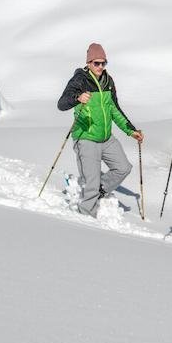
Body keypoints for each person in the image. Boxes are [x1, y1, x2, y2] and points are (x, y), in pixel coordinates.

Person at [58, 42, 143, 216]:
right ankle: (86, 218)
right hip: (86, 137)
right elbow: (62, 103)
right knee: (91, 184)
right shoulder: (80, 80)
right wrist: (77, 97)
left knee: (123, 167)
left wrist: (130, 130)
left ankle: (99, 190)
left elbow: (115, 109)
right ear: (89, 62)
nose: (100, 66)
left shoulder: (108, 81)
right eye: (97, 63)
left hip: (106, 138)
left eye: (103, 63)